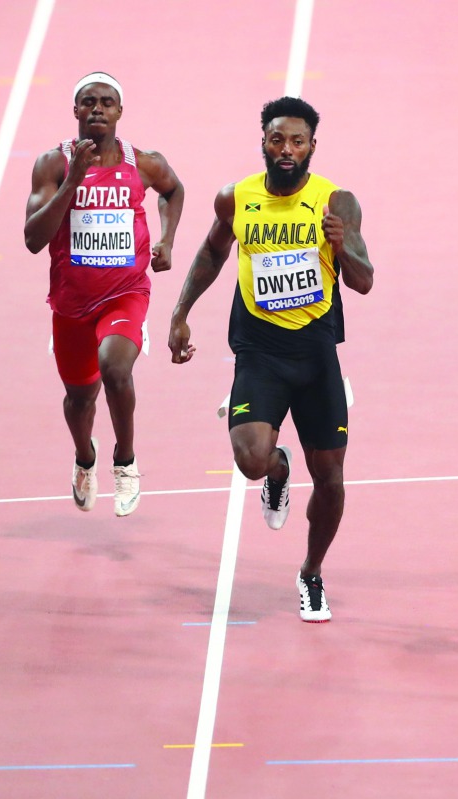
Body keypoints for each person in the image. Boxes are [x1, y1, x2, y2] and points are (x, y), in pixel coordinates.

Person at [167, 96, 374, 622]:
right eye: (277, 139)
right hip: (260, 352)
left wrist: (342, 244)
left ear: (311, 147)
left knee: (331, 482)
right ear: (263, 141)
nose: (287, 150)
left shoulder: (336, 201)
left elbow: (364, 281)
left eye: (297, 141)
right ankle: (278, 470)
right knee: (250, 460)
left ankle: (311, 573)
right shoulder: (236, 199)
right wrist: (181, 311)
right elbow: (214, 252)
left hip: (315, 355)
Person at [23, 72, 184, 517]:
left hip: (125, 292)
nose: (97, 108)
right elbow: (33, 239)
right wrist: (72, 183)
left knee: (116, 369)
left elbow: (173, 189)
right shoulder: (52, 165)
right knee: (80, 400)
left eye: (106, 102)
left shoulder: (144, 162)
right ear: (75, 111)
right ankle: (84, 458)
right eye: (88, 101)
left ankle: (126, 461)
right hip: (72, 302)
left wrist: (167, 239)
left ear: (119, 112)